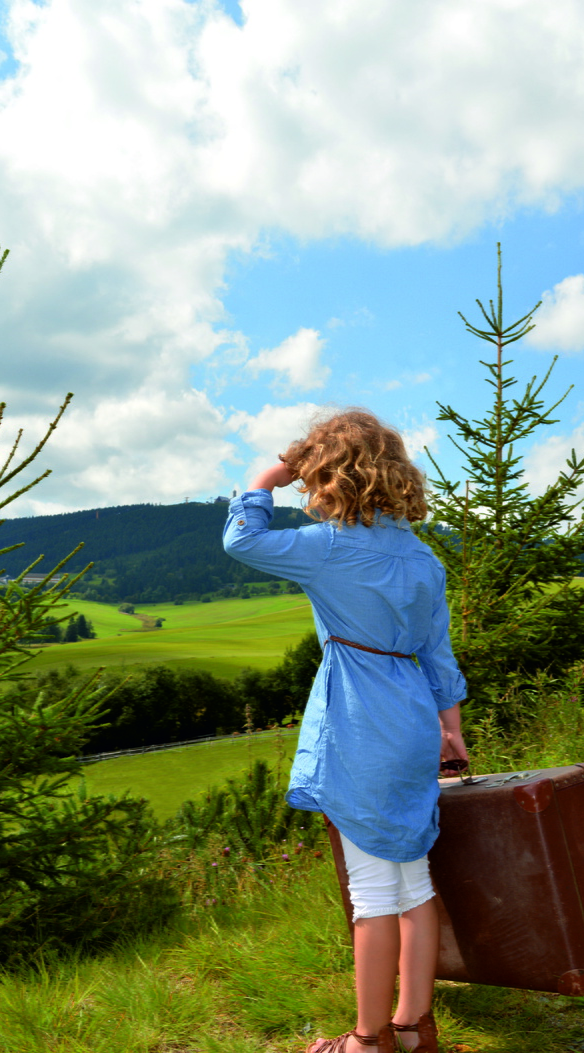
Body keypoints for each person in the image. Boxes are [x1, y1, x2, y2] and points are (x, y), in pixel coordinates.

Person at [223, 409, 468, 1053]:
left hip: (362, 723)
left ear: (326, 474)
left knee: (371, 891)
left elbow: (241, 542)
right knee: (413, 879)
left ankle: (367, 1039)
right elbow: (439, 658)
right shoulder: (422, 558)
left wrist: (263, 478)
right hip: (415, 718)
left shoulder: (328, 548)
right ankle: (415, 1027)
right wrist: (452, 731)